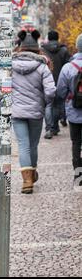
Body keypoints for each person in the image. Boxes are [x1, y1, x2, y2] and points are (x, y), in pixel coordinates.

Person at [12, 30, 56, 194]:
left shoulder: (10, 66)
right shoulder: (42, 67)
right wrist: (45, 103)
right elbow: (51, 91)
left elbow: (0, 91)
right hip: (36, 113)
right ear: (37, 48)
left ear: (21, 48)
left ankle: (27, 181)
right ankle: (32, 173)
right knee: (32, 145)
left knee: (23, 145)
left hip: (16, 112)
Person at [57, 34, 82, 191]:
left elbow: (60, 91)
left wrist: (70, 97)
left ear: (77, 47)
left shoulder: (68, 67)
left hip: (74, 112)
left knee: (76, 143)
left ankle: (78, 176)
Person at [42, 31, 71, 138]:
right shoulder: (64, 50)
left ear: (48, 38)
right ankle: (57, 125)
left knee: (48, 106)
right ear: (58, 38)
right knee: (58, 104)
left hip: (46, 82)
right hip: (61, 82)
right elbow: (68, 67)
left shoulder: (43, 51)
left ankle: (50, 128)